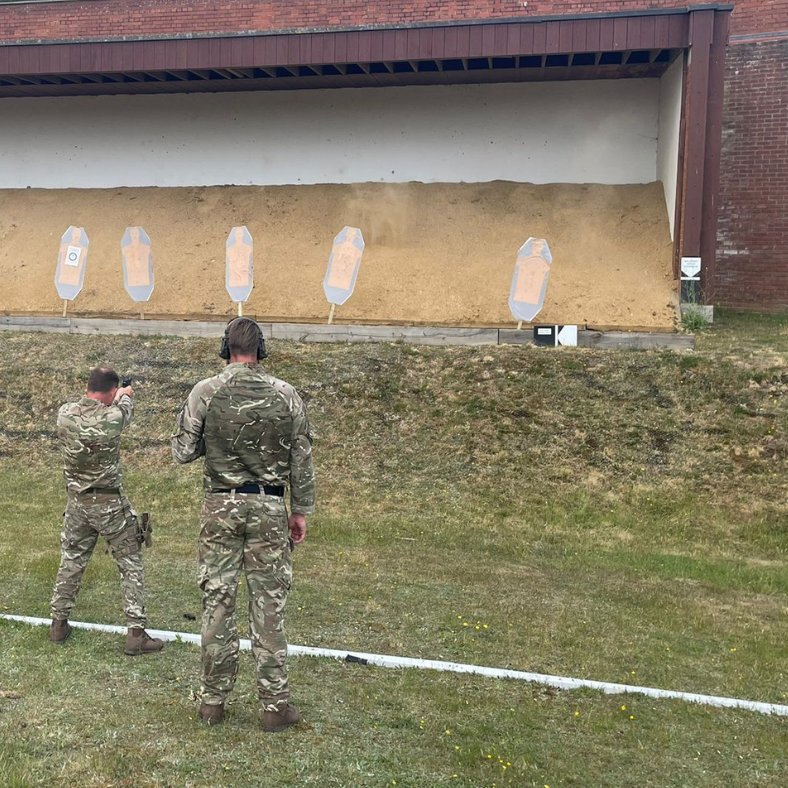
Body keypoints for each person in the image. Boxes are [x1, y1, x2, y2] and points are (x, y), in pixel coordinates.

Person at [172, 317, 315, 731]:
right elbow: (300, 458)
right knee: (269, 607)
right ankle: (274, 706)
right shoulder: (285, 394)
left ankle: (213, 702)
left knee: (218, 601)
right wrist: (300, 509)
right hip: (270, 508)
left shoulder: (206, 391)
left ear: (225, 348)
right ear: (261, 349)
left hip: (220, 508)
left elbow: (183, 451)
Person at [50, 367, 164, 656]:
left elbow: (93, 409)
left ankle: (58, 624)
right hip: (110, 505)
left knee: (72, 561)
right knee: (130, 564)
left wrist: (115, 394)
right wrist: (124, 395)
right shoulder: (114, 416)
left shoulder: (65, 413)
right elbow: (124, 409)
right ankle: (136, 634)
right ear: (111, 391)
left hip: (76, 504)